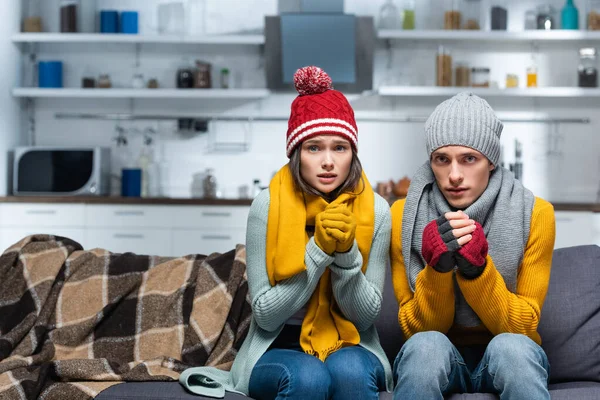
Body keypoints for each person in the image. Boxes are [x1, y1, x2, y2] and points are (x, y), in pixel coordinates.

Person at [180, 66, 392, 399]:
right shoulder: (266, 206)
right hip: (276, 344)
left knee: (349, 372)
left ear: (353, 154)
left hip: (350, 340)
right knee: (308, 377)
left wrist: (347, 254)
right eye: (313, 148)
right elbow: (265, 315)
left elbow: (365, 317)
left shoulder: (376, 210)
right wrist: (320, 250)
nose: (328, 161)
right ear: (296, 153)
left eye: (340, 148)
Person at [390, 92, 556, 400]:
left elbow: (524, 326)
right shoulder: (403, 215)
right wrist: (437, 270)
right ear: (431, 162)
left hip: (508, 349)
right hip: (437, 351)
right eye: (442, 159)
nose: (454, 175)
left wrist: (477, 271)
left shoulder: (535, 213)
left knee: (513, 349)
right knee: (425, 347)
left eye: (469, 158)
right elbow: (416, 330)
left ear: (491, 161)